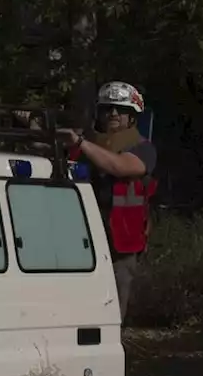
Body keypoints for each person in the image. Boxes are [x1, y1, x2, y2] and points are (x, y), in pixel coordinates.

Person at [59, 81, 158, 318]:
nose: (113, 114)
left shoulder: (143, 148)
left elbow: (120, 166)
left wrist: (81, 144)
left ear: (132, 116)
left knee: (112, 311)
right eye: (108, 109)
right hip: (80, 241)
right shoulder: (85, 142)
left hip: (121, 244)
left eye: (120, 109)